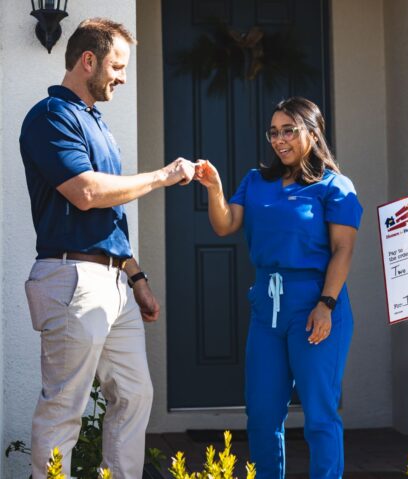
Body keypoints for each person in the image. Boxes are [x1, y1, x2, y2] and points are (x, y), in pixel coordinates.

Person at [19, 18, 196, 478]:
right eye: (117, 66)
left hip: (114, 281)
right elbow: (87, 193)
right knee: (64, 406)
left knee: (135, 396)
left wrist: (136, 277)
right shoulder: (50, 117)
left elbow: (109, 216)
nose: (121, 76)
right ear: (88, 60)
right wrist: (161, 176)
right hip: (72, 279)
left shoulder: (96, 123)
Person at [195, 97, 363, 479]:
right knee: (262, 413)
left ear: (313, 132)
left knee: (320, 414)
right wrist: (214, 187)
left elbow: (343, 250)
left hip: (316, 305)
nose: (279, 139)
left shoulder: (333, 186)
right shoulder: (256, 182)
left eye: (289, 130)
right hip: (267, 307)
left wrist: (326, 304)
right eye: (274, 132)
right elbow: (225, 224)